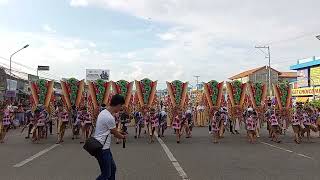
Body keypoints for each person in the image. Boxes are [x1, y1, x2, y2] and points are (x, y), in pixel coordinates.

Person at [94, 94, 126, 180]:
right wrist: (122, 136)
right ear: (118, 104)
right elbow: (115, 133)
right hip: (102, 149)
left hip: (101, 147)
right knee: (106, 175)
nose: (120, 109)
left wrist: (119, 132)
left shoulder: (103, 112)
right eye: (121, 107)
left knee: (112, 169)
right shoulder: (109, 117)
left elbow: (111, 130)